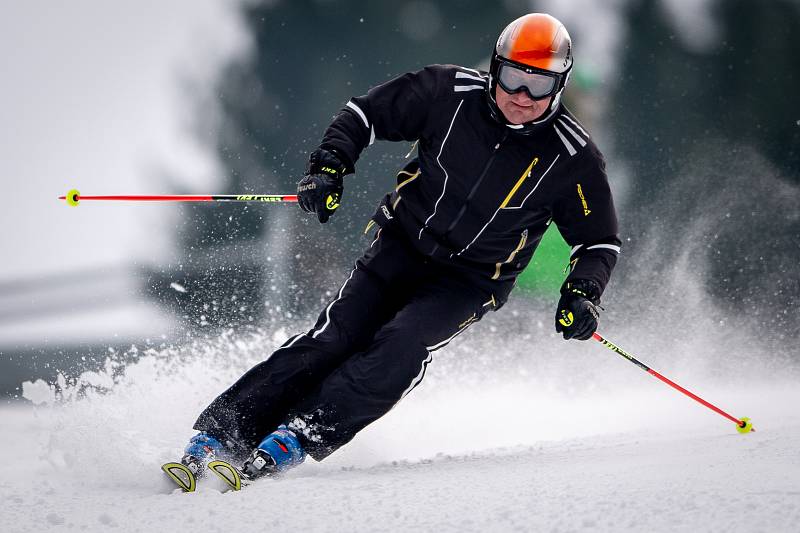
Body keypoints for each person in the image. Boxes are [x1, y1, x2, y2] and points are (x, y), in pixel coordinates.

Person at [181, 13, 621, 480]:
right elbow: (364, 115)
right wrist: (329, 166)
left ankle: (298, 435)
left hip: (468, 281)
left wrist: (583, 292)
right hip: (402, 245)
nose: (522, 97)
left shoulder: (573, 158)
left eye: (540, 85)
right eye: (513, 78)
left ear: (560, 85)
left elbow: (598, 241)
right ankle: (221, 433)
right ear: (495, 68)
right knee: (335, 340)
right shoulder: (447, 94)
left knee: (402, 347)